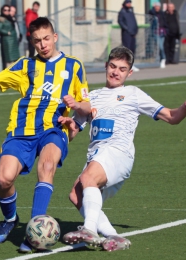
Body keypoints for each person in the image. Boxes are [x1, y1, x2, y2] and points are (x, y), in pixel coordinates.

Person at [0, 17, 91, 253]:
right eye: (37, 41)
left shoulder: (74, 66)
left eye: (46, 38)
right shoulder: (24, 65)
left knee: (46, 166)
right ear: (32, 42)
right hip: (22, 130)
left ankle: (34, 232)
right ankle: (10, 220)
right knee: (4, 179)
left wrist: (75, 106)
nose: (43, 44)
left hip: (54, 129)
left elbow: (88, 107)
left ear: (55, 37)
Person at [59, 46, 186, 251]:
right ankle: (113, 236)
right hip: (97, 156)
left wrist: (184, 107)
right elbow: (74, 132)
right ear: (106, 66)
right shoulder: (94, 96)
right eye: (112, 66)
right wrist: (68, 124)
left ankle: (89, 229)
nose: (116, 72)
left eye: (122, 69)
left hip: (118, 153)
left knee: (87, 179)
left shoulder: (133, 94)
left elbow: (172, 117)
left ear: (129, 73)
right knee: (76, 195)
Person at [0, 4, 20, 69]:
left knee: (15, 58)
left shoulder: (10, 18)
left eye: (8, 10)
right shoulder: (1, 19)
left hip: (13, 41)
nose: (6, 11)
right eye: (5, 10)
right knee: (9, 58)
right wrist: (7, 33)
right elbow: (0, 28)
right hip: (7, 41)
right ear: (2, 11)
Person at [118, 0, 139, 72]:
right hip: (126, 34)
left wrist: (136, 30)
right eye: (128, 3)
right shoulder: (122, 12)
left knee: (132, 49)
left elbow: (134, 21)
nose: (129, 4)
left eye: (130, 3)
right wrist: (127, 29)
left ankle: (132, 64)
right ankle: (126, 65)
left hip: (133, 33)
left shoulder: (131, 11)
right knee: (127, 49)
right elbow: (120, 22)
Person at [149, 2, 168, 68]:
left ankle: (162, 59)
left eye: (158, 6)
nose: (157, 8)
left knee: (161, 46)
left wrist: (166, 29)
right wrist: (153, 9)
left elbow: (165, 21)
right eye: (156, 6)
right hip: (155, 31)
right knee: (159, 46)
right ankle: (162, 59)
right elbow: (150, 13)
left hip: (162, 31)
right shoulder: (152, 12)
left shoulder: (162, 13)